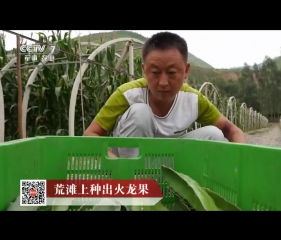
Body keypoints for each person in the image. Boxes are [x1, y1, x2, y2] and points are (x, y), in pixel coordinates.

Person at [84, 31, 247, 158]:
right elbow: (91, 134)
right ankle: (133, 188)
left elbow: (231, 130)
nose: (163, 82)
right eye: (155, 72)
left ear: (186, 71)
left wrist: (243, 160)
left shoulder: (194, 100)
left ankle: (185, 189)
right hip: (126, 163)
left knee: (214, 134)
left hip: (167, 161)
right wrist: (113, 162)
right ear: (144, 70)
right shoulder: (128, 94)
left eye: (171, 72)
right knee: (140, 113)